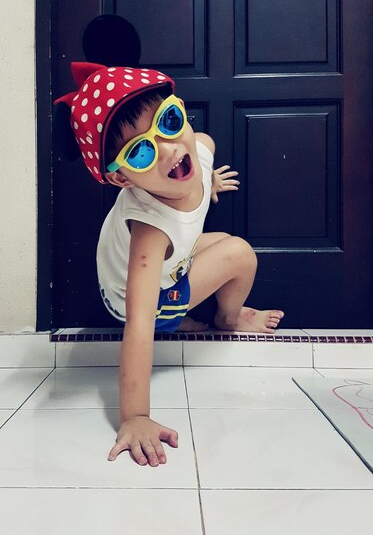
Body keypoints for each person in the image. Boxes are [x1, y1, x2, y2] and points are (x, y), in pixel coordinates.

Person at [55, 62, 284, 467]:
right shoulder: (150, 230)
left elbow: (204, 143)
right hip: (138, 298)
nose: (169, 150)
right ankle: (224, 318)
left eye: (170, 120)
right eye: (141, 152)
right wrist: (136, 416)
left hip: (166, 265)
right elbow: (138, 322)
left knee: (226, 244)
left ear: (180, 110)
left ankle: (196, 315)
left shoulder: (197, 151)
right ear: (122, 180)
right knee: (239, 253)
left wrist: (209, 183)